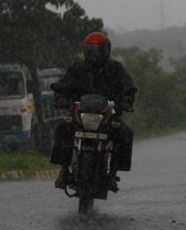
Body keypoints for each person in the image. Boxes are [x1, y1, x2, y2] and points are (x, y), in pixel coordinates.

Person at [50, 31, 136, 191]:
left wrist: (126, 100)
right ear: (85, 51)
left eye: (99, 51)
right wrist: (61, 97)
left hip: (108, 114)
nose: (95, 55)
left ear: (107, 51)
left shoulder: (116, 69)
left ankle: (113, 173)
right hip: (79, 114)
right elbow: (63, 86)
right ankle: (64, 169)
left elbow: (127, 86)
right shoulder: (77, 69)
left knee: (125, 134)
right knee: (62, 129)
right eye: (91, 51)